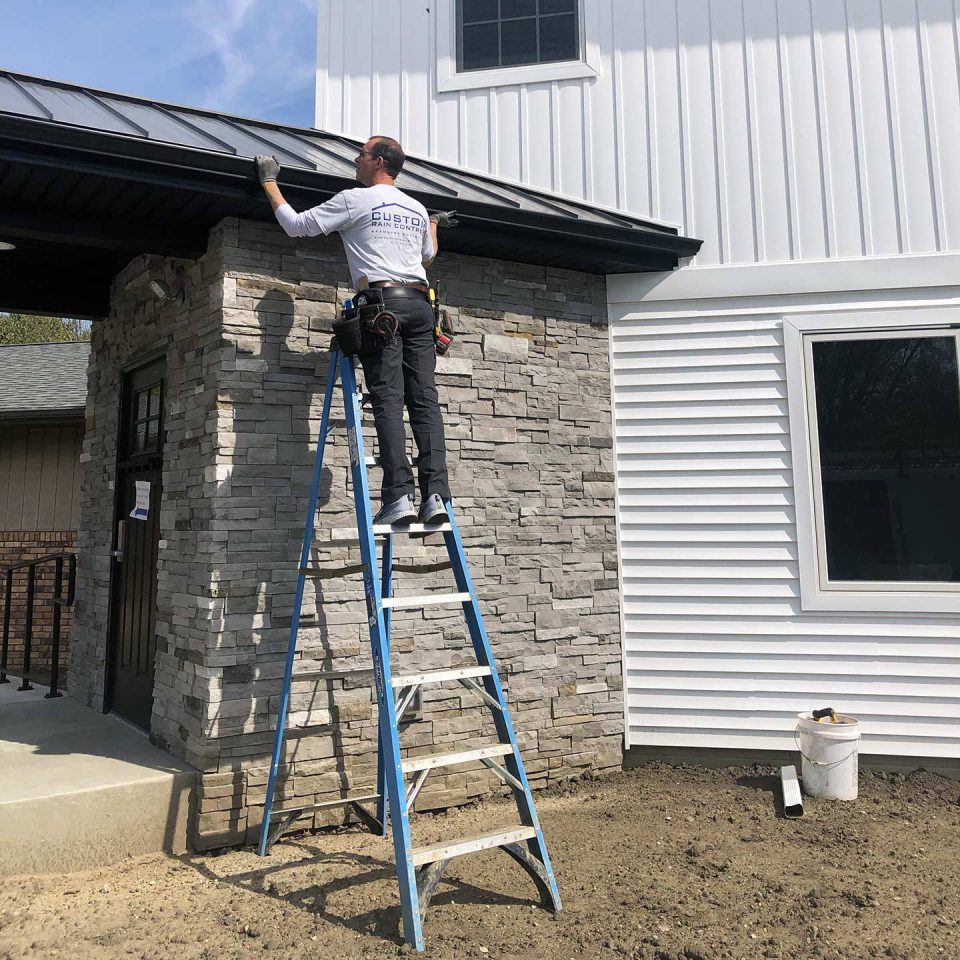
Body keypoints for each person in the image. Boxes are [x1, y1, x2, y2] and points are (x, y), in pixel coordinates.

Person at [254, 137, 458, 526]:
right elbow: (427, 257)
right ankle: (436, 497)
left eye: (361, 154)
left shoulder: (355, 199)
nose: (355, 159)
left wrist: (269, 182)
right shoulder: (415, 208)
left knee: (387, 398)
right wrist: (432, 224)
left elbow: (297, 226)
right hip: (419, 306)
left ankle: (399, 497)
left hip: (382, 306)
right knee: (424, 401)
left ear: (378, 161)